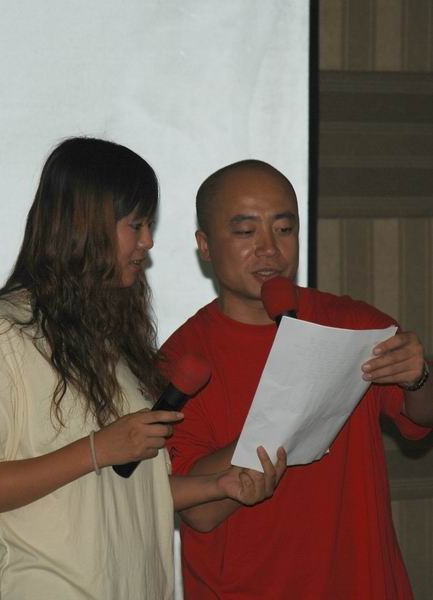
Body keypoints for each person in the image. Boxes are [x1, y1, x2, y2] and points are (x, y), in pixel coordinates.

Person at [0, 140, 286, 600]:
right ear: (85, 226)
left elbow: (122, 493)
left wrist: (215, 486)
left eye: (149, 226)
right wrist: (96, 449)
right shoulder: (0, 332)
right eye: (136, 225)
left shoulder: (108, 339)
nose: (148, 242)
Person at [162, 159, 433, 600]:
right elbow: (200, 513)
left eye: (284, 229)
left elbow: (420, 418)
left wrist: (418, 377)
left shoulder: (352, 324)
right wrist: (284, 419)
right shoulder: (180, 359)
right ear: (205, 245)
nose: (269, 249)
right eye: (246, 232)